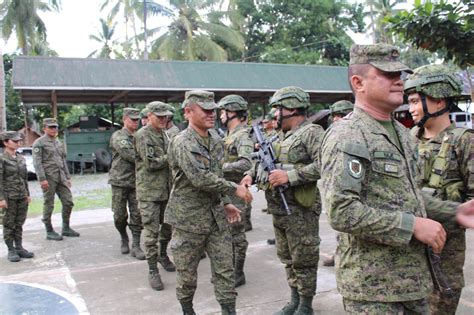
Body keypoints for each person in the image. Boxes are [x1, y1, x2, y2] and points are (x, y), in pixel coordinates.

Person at [319, 43, 474, 314]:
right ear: (358, 83)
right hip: (374, 289)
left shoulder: (404, 136)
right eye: (387, 75)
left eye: (399, 75)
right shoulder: (349, 134)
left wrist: (455, 212)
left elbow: (408, 197)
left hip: (414, 282)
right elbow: (341, 211)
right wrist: (412, 226)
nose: (398, 82)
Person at [164, 90, 253, 315]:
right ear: (188, 112)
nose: (212, 114)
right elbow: (200, 178)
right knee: (187, 275)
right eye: (205, 110)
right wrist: (235, 190)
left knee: (225, 270)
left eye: (213, 109)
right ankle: (187, 310)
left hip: (215, 218)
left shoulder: (215, 139)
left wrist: (225, 202)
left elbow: (217, 174)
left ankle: (228, 311)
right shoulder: (182, 142)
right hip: (188, 220)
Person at [242, 86, 324, 315]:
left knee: (304, 259)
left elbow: (326, 164)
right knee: (287, 257)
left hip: (301, 209)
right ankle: (295, 299)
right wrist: (250, 174)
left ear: (292, 109)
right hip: (278, 209)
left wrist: (291, 176)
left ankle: (306, 305)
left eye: (278, 109)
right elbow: (260, 162)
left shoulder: (312, 132)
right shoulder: (276, 136)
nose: (274, 114)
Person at [405, 64, 474, 315]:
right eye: (409, 101)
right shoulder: (407, 139)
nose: (410, 108)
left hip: (445, 254)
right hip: (408, 250)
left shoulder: (464, 140)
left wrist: (449, 212)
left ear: (438, 100)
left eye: (415, 101)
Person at [135, 101, 176, 291]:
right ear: (149, 115)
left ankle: (162, 254)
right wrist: (173, 156)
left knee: (167, 227)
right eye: (159, 116)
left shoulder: (164, 134)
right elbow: (151, 163)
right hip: (150, 193)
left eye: (165, 116)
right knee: (151, 233)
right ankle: (152, 270)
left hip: (166, 191)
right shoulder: (143, 135)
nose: (163, 119)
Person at [218, 94, 254, 287]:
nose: (220, 115)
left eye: (223, 111)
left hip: (236, 193)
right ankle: (231, 269)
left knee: (237, 235)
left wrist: (220, 167)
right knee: (227, 234)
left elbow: (246, 162)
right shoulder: (229, 136)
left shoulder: (242, 136)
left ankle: (238, 273)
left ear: (232, 112)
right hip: (227, 191)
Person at [33, 118, 80, 241]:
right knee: (49, 204)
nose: (54, 129)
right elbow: (37, 163)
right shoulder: (39, 143)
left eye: (55, 127)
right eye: (51, 127)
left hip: (61, 177)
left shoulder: (58, 142)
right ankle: (49, 231)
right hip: (49, 177)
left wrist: (68, 177)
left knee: (68, 202)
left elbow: (63, 160)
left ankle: (66, 228)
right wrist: (42, 179)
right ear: (44, 128)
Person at [109, 108, 145, 260]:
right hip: (120, 181)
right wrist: (150, 158)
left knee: (137, 215)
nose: (135, 122)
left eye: (137, 120)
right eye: (132, 119)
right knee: (119, 216)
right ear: (124, 119)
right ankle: (124, 236)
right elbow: (130, 155)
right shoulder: (119, 136)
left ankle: (136, 245)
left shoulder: (140, 136)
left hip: (137, 182)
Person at [323, 100, 354, 267]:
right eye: (335, 116)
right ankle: (338, 252)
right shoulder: (333, 136)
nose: (337, 119)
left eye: (341, 115)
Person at [0, 131, 34, 262]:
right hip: (9, 197)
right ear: (5, 142)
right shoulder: (2, 159)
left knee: (19, 222)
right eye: (15, 141)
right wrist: (1, 198)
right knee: (9, 224)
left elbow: (24, 178)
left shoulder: (20, 158)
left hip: (21, 195)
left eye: (19, 141)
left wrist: (27, 194)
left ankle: (19, 247)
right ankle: (11, 249)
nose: (18, 143)